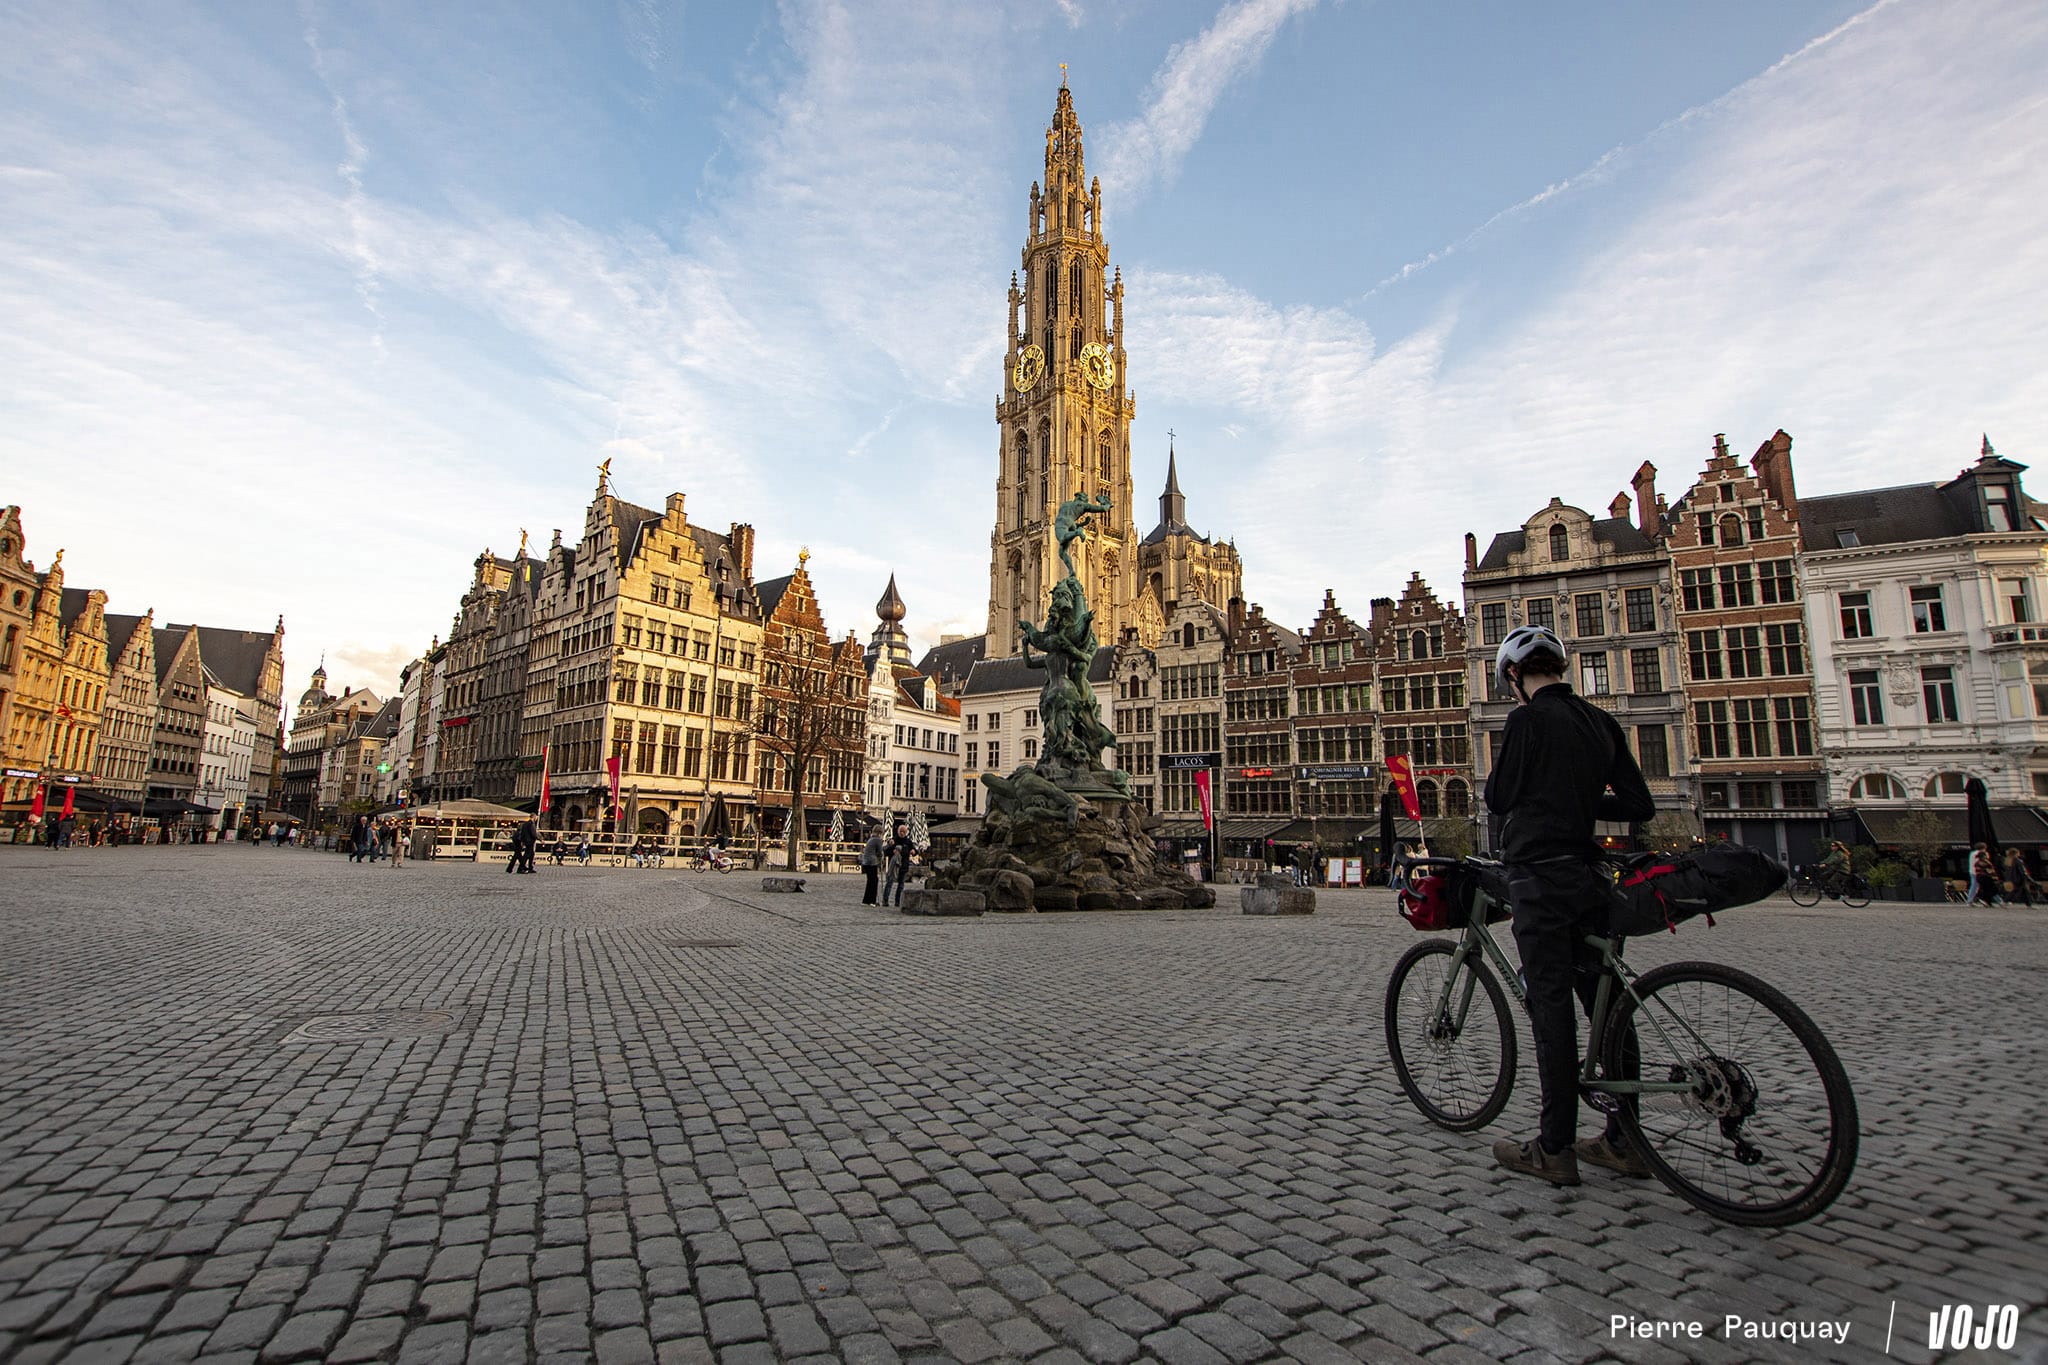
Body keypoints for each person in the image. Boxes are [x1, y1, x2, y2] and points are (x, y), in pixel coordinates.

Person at [1484, 625, 1658, 1187]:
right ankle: (1624, 1140)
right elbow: (1639, 804)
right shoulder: (1601, 721)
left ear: (1514, 675)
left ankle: (1555, 1147)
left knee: (1551, 1007)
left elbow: (1498, 797)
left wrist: (1547, 794)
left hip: (1540, 877)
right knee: (1607, 1005)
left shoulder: (1527, 720)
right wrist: (1582, 798)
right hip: (1591, 876)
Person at [882, 822, 913, 908]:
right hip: (894, 866)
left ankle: (897, 901)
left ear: (906, 832)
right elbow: (886, 851)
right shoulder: (893, 840)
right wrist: (892, 851)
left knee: (901, 885)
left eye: (903, 832)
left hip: (903, 865)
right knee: (889, 883)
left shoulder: (908, 841)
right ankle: (885, 900)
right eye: (900, 831)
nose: (902, 833)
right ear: (898, 831)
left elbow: (913, 850)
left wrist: (913, 852)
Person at [859, 825, 886, 905]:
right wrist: (881, 858)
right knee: (874, 881)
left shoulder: (871, 839)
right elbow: (880, 852)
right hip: (872, 862)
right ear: (880, 833)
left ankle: (866, 900)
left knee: (870, 881)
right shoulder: (878, 840)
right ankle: (872, 900)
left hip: (866, 862)